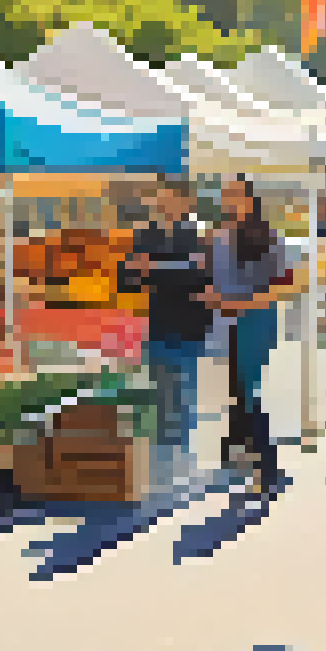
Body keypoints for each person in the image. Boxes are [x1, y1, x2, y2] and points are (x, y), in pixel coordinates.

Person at [199, 176, 299, 495]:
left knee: (252, 393)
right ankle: (246, 456)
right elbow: (209, 276)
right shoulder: (216, 237)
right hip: (224, 323)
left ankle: (269, 470)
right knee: (239, 392)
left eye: (236, 194)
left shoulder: (268, 238)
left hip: (255, 321)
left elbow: (286, 287)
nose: (230, 200)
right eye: (226, 194)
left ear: (250, 198)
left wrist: (236, 302)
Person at [119, 181, 213, 489]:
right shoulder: (145, 234)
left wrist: (153, 269)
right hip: (158, 322)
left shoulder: (200, 234)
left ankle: (182, 460)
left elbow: (199, 274)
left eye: (169, 199)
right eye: (160, 199)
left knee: (183, 391)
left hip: (189, 323)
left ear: (185, 202)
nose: (163, 204)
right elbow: (127, 279)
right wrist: (147, 271)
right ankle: (163, 463)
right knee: (161, 393)